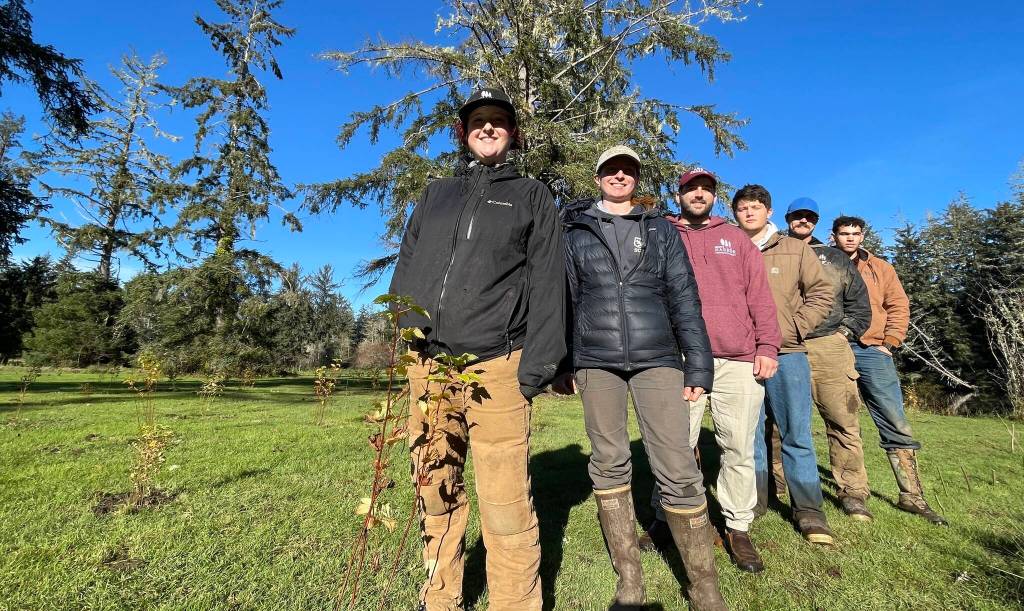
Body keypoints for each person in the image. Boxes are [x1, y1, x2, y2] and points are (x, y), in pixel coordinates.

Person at [390, 87, 566, 611]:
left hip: (498, 366)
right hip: (431, 367)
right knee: (434, 486)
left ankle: (514, 603)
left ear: (513, 134)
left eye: (498, 121)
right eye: (477, 121)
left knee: (505, 502)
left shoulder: (532, 195)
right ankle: (440, 597)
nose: (487, 128)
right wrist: (404, 328)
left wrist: (537, 364)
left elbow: (549, 282)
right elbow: (407, 261)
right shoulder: (435, 194)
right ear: (463, 133)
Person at [556, 146, 726, 609]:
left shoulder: (660, 230)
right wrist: (564, 361)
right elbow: (565, 298)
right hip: (597, 359)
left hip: (658, 358)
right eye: (610, 169)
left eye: (627, 170)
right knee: (609, 462)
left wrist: (698, 362)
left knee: (677, 467)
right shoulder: (573, 231)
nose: (619, 175)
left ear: (636, 179)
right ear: (598, 177)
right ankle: (629, 580)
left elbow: (684, 296)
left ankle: (704, 587)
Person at [640, 168, 781, 574]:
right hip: (680, 358)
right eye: (690, 189)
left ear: (714, 197)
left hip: (738, 359)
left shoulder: (736, 239)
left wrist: (767, 346)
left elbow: (760, 297)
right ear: (679, 194)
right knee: (675, 446)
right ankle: (667, 517)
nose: (698, 194)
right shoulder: (662, 234)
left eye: (705, 189)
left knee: (738, 446)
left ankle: (738, 526)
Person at [732, 184, 836, 545]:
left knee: (796, 434)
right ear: (735, 213)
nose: (749, 213)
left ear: (769, 212)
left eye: (756, 207)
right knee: (749, 434)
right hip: (742, 356)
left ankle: (809, 511)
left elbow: (822, 292)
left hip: (788, 353)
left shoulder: (793, 249)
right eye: (742, 208)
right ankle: (756, 501)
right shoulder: (730, 248)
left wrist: (794, 326)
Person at [832, 216, 948, 525]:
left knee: (894, 419)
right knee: (844, 419)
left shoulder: (880, 268)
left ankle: (912, 495)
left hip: (873, 349)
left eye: (856, 233)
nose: (850, 238)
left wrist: (891, 341)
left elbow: (898, 304)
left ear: (863, 235)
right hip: (836, 348)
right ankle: (854, 492)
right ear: (834, 236)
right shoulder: (823, 263)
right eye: (844, 233)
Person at [783, 198, 873, 521]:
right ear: (788, 218)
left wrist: (842, 335)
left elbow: (859, 304)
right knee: (780, 422)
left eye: (809, 217)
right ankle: (779, 483)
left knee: (842, 420)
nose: (803, 221)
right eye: (797, 216)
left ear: (816, 222)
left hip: (827, 344)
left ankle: (852, 491)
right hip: (784, 345)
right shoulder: (772, 251)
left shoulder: (834, 258)